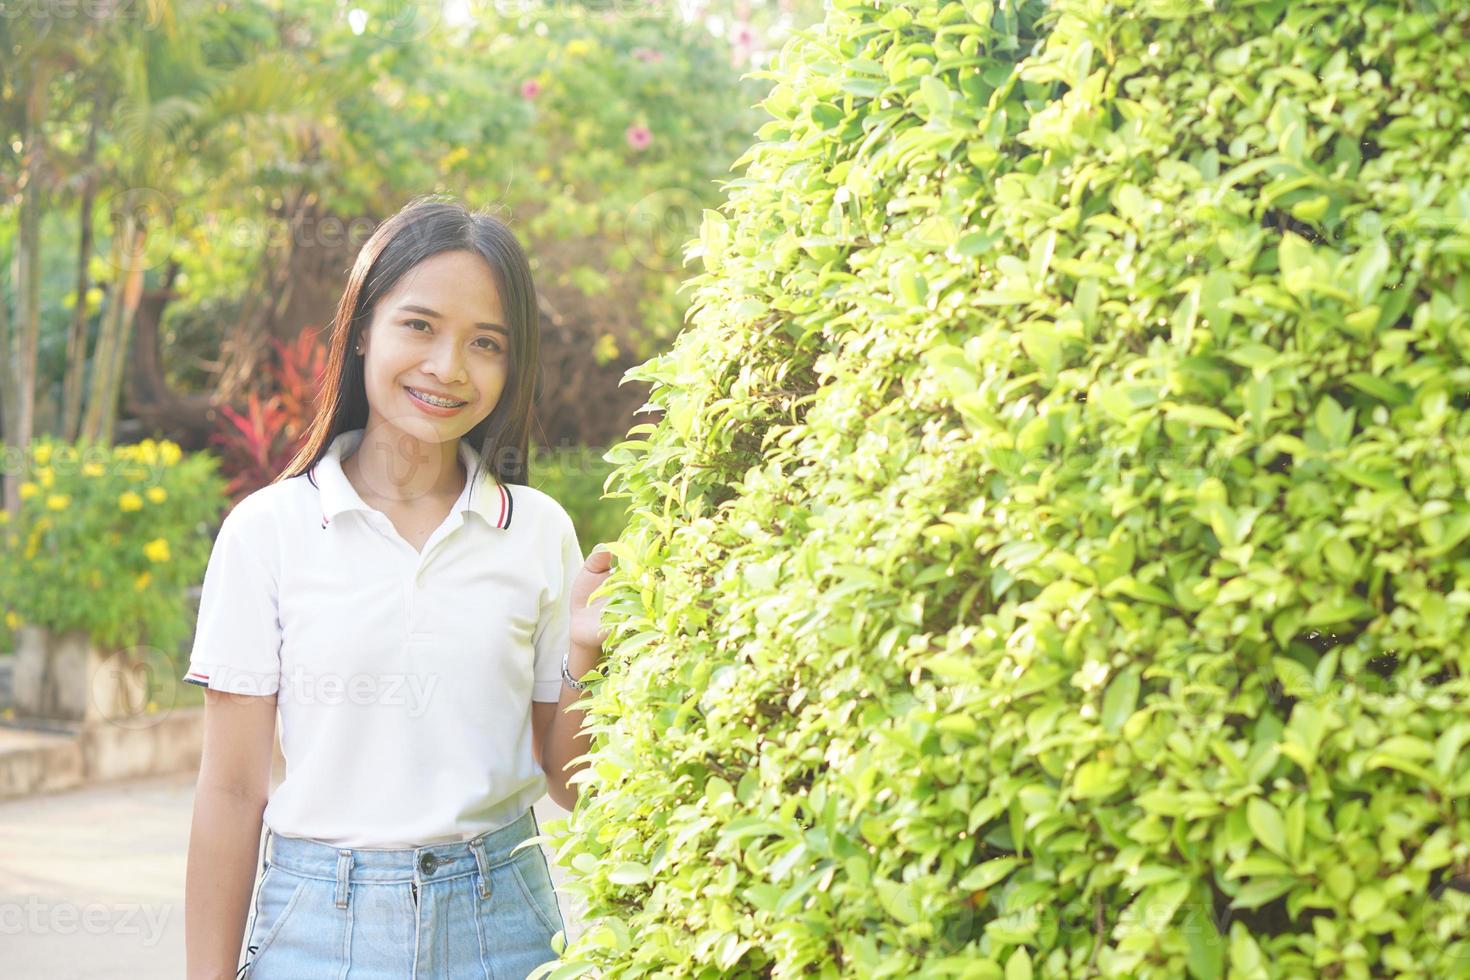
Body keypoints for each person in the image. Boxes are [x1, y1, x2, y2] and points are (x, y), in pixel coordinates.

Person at [181, 194, 614, 979]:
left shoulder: (539, 530)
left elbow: (570, 785)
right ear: (361, 330)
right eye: (419, 325)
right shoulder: (267, 531)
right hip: (314, 928)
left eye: (485, 343)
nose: (447, 368)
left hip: (505, 926)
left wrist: (586, 649)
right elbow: (233, 791)